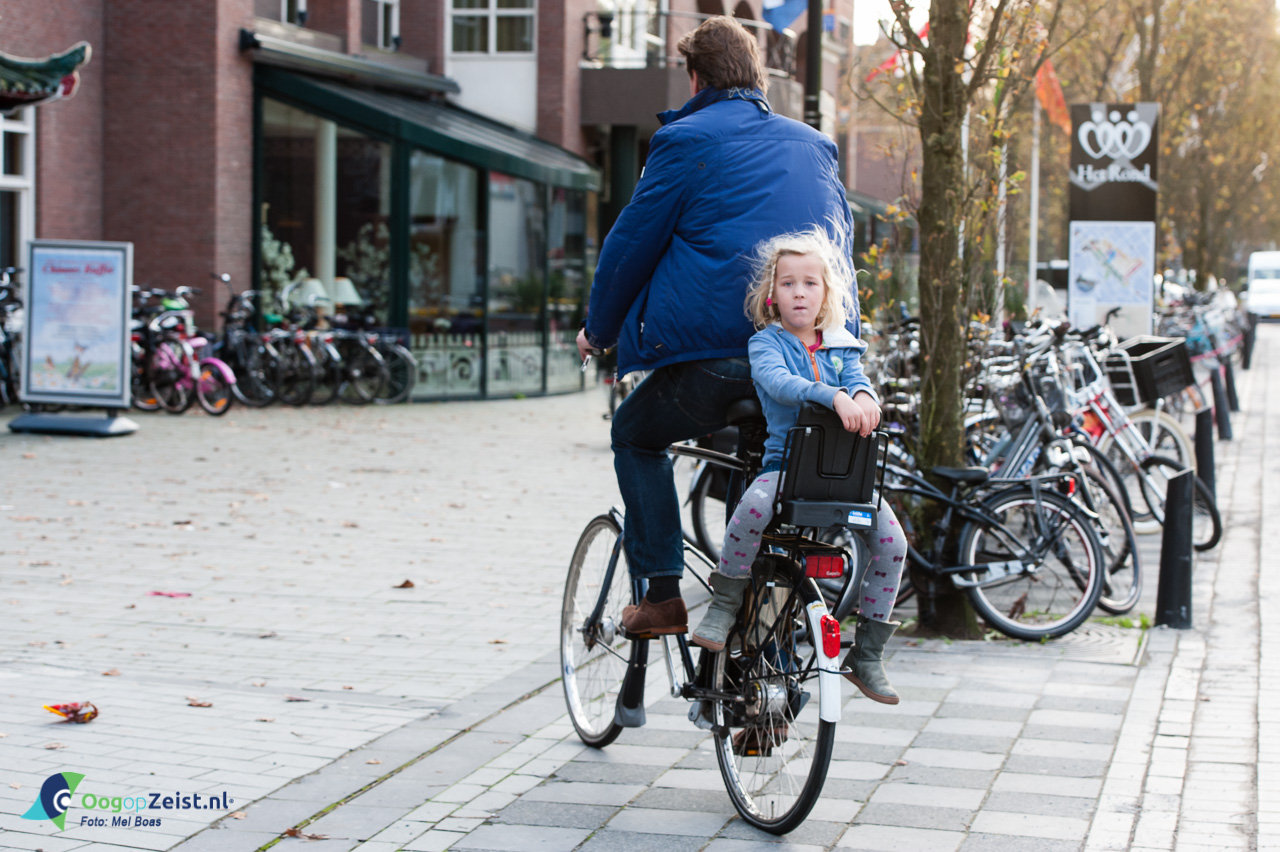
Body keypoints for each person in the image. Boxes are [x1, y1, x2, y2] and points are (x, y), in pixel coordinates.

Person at [575, 16, 856, 643]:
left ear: (696, 77)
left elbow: (632, 244)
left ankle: (663, 595)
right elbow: (840, 259)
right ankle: (749, 646)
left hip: (718, 358)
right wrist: (839, 355)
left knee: (634, 435)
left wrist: (599, 329)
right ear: (757, 78)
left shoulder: (685, 140)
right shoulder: (814, 145)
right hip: (807, 363)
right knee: (758, 461)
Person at [685, 226, 908, 704]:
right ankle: (724, 607)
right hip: (787, 469)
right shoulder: (766, 344)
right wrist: (834, 396)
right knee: (751, 510)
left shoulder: (843, 345)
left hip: (847, 476)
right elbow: (780, 383)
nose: (799, 292)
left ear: (827, 291)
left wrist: (865, 396)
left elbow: (860, 379)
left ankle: (867, 655)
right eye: (788, 283)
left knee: (892, 543)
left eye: (810, 282)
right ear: (772, 293)